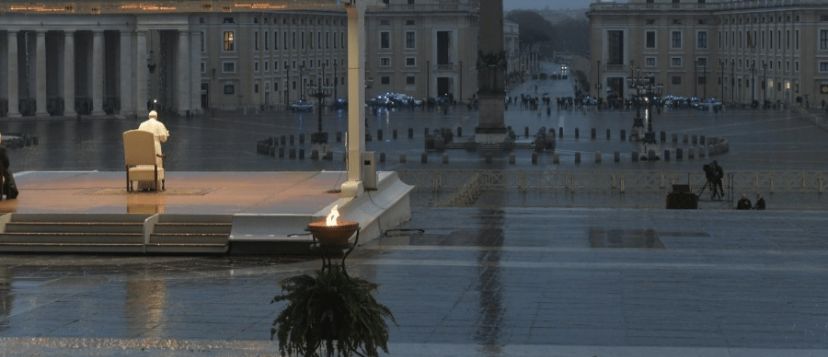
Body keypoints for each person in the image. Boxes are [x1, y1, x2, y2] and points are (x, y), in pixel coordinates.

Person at [137, 110, 170, 190]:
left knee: (144, 166)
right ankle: (155, 186)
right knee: (156, 164)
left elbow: (138, 136)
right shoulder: (159, 124)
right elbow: (163, 139)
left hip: (144, 147)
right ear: (156, 116)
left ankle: (143, 186)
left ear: (149, 116)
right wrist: (166, 133)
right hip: (155, 146)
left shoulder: (142, 124)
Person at [0, 134, 17, 199]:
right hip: (1, 170)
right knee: (8, 173)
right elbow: (7, 163)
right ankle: (11, 193)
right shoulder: (2, 149)